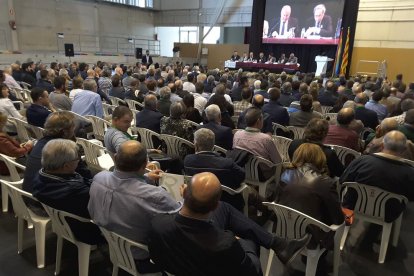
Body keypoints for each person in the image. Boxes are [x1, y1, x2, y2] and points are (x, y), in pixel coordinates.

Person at [149, 172, 311, 276]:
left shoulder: (157, 224)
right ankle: (277, 244)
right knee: (249, 238)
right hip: (210, 256)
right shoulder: (226, 244)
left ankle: (278, 244)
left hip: (182, 260)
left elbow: (156, 257)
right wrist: (241, 242)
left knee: (225, 209)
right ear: (214, 206)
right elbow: (252, 271)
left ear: (183, 193)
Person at [88, 140, 181, 274]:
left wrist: (145, 177)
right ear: (144, 164)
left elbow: (125, 183)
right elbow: (181, 218)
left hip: (114, 247)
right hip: (146, 258)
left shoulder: (98, 178)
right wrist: (185, 197)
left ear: (115, 158)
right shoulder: (156, 196)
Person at [32, 139, 103, 245]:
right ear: (66, 166)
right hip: (88, 231)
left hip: (63, 223)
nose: (79, 160)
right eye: (77, 159)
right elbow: (100, 209)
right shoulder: (77, 191)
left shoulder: (40, 175)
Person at [277, 143, 343, 251]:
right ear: (320, 157)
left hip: (283, 229)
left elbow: (278, 200)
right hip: (312, 238)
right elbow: (338, 219)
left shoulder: (285, 174)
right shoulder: (325, 182)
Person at [341, 131, 414, 222]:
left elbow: (343, 180)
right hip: (388, 214)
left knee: (349, 196)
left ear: (382, 146)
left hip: (352, 206)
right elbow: (411, 197)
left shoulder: (361, 161)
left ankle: (347, 224)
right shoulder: (410, 173)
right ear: (404, 149)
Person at [184, 128, 244, 210]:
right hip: (224, 201)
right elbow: (242, 176)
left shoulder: (188, 160)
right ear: (213, 144)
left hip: (196, 201)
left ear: (196, 144)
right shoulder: (227, 163)